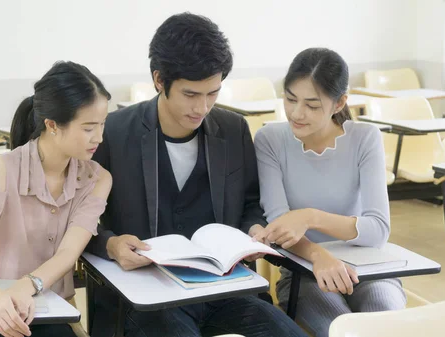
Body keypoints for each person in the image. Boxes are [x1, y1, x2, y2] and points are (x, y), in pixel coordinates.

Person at [85, 12, 307, 337]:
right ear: (159, 80)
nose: (202, 108)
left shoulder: (233, 130)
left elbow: (250, 203)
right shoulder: (114, 134)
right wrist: (110, 244)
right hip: (146, 298)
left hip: (224, 290)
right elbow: (78, 221)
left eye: (213, 93)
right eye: (191, 94)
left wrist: (255, 229)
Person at [0, 61, 112, 337]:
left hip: (52, 310)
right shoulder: (3, 168)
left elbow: (67, 254)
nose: (100, 137)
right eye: (88, 128)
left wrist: (24, 288)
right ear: (52, 125)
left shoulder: (98, 179)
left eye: (102, 124)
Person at [253, 48, 406, 337]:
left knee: (387, 324)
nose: (297, 113)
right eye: (290, 99)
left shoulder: (365, 138)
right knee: (341, 329)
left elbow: (378, 230)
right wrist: (318, 255)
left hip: (369, 269)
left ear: (339, 103)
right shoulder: (269, 139)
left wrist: (309, 217)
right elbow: (279, 228)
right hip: (304, 273)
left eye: (312, 105)